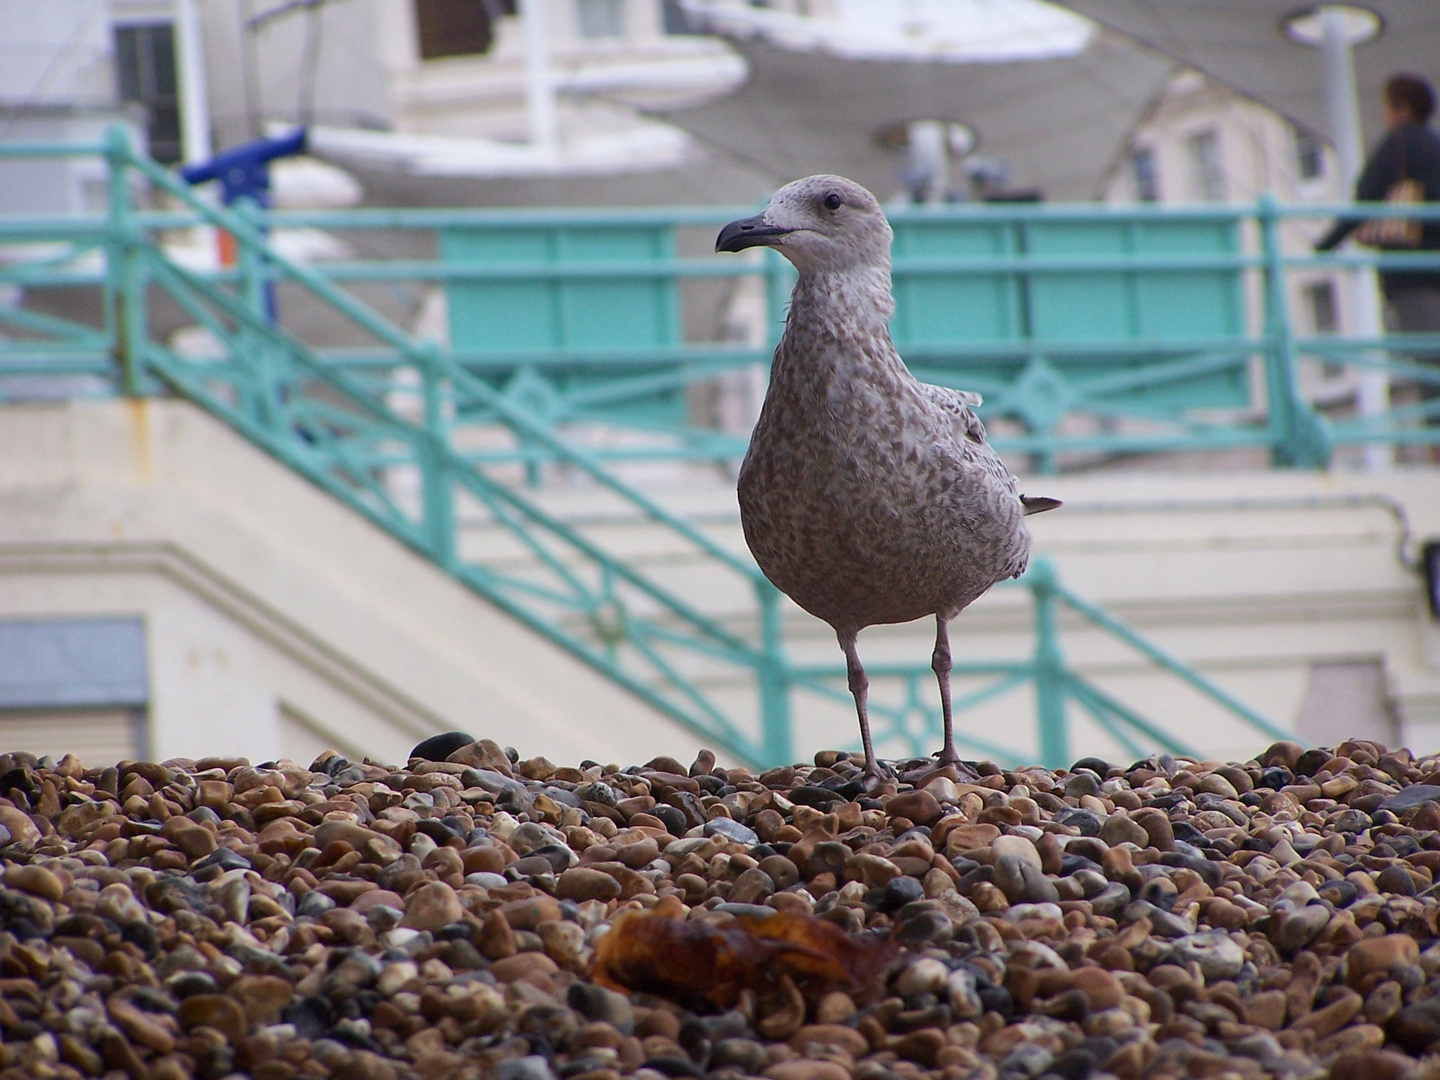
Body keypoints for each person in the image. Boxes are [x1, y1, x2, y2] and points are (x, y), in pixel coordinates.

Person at [1317, 74, 1440, 451]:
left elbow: (1367, 196)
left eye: (1387, 107)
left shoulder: (1399, 142)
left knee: (1427, 366)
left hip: (1410, 275)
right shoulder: (1435, 146)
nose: (1384, 115)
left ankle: (1436, 443)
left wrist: (1325, 245)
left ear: (1400, 109)